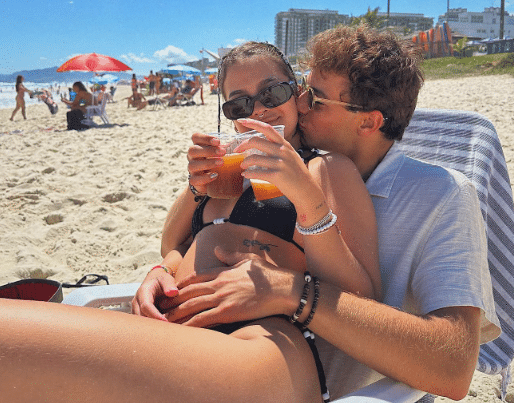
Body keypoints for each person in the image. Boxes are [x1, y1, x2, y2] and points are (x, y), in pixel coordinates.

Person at [0, 41, 380, 403]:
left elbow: (366, 301)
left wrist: (304, 196)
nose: (259, 110)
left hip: (263, 345)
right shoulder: (225, 172)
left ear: (296, 94)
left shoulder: (326, 169)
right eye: (239, 104)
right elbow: (172, 243)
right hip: (178, 333)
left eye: (272, 93)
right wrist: (163, 267)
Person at [135, 25, 500, 401]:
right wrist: (164, 267)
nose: (300, 104)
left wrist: (291, 290)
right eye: (302, 91)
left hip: (281, 365)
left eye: (315, 99)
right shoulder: (265, 167)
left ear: (369, 121)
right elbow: (177, 242)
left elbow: (453, 370)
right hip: (204, 340)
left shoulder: (439, 195)